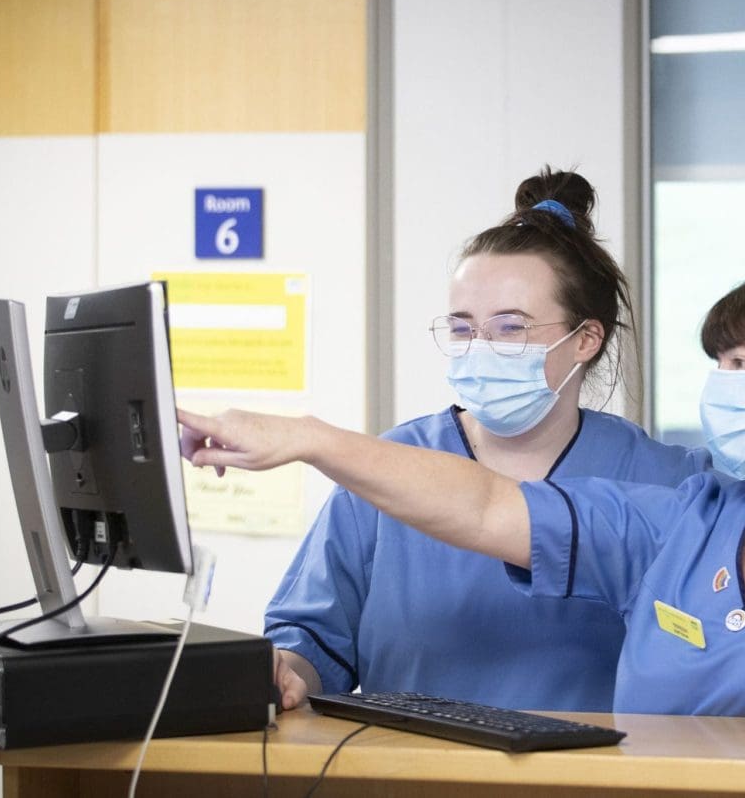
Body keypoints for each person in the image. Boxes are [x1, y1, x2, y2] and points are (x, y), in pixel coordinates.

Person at [182, 268, 745, 733]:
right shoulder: (679, 518)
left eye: (741, 364)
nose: (720, 386)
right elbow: (484, 507)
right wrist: (310, 438)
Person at [260, 168, 711, 713]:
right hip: (405, 771)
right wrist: (288, 671)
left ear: (586, 339)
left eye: (510, 327)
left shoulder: (664, 480)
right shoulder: (387, 472)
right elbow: (311, 641)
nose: (479, 348)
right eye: (461, 327)